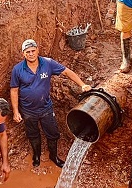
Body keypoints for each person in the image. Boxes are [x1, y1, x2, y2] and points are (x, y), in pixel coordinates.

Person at [10, 39, 92, 168]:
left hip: (46, 108)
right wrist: (15, 111)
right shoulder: (18, 69)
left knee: (53, 133)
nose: (31, 54)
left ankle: (54, 156)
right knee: (33, 134)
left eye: (33, 50)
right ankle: (36, 156)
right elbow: (14, 90)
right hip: (28, 110)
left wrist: (82, 84)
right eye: (27, 52)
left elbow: (67, 72)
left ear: (37, 50)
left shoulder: (48, 63)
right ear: (23, 54)